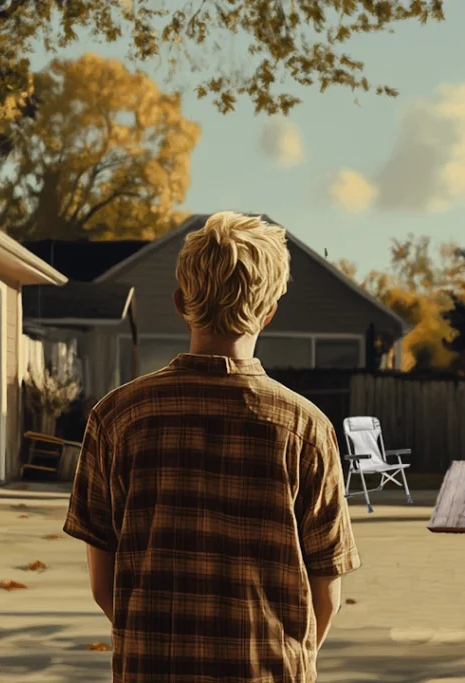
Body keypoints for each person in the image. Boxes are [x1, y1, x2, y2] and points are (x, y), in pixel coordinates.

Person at [63, 211, 360, 682]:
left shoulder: (116, 418)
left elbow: (106, 586)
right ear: (269, 312)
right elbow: (326, 594)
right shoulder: (308, 430)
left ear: (182, 302)